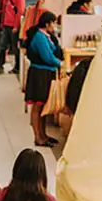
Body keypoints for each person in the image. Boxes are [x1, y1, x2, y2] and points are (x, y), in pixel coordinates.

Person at [24, 10, 64, 147]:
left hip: (45, 73)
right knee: (38, 105)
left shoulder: (46, 35)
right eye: (53, 23)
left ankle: (43, 134)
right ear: (47, 24)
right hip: (39, 74)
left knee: (44, 106)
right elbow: (47, 56)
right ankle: (38, 136)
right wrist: (60, 64)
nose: (55, 26)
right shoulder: (40, 37)